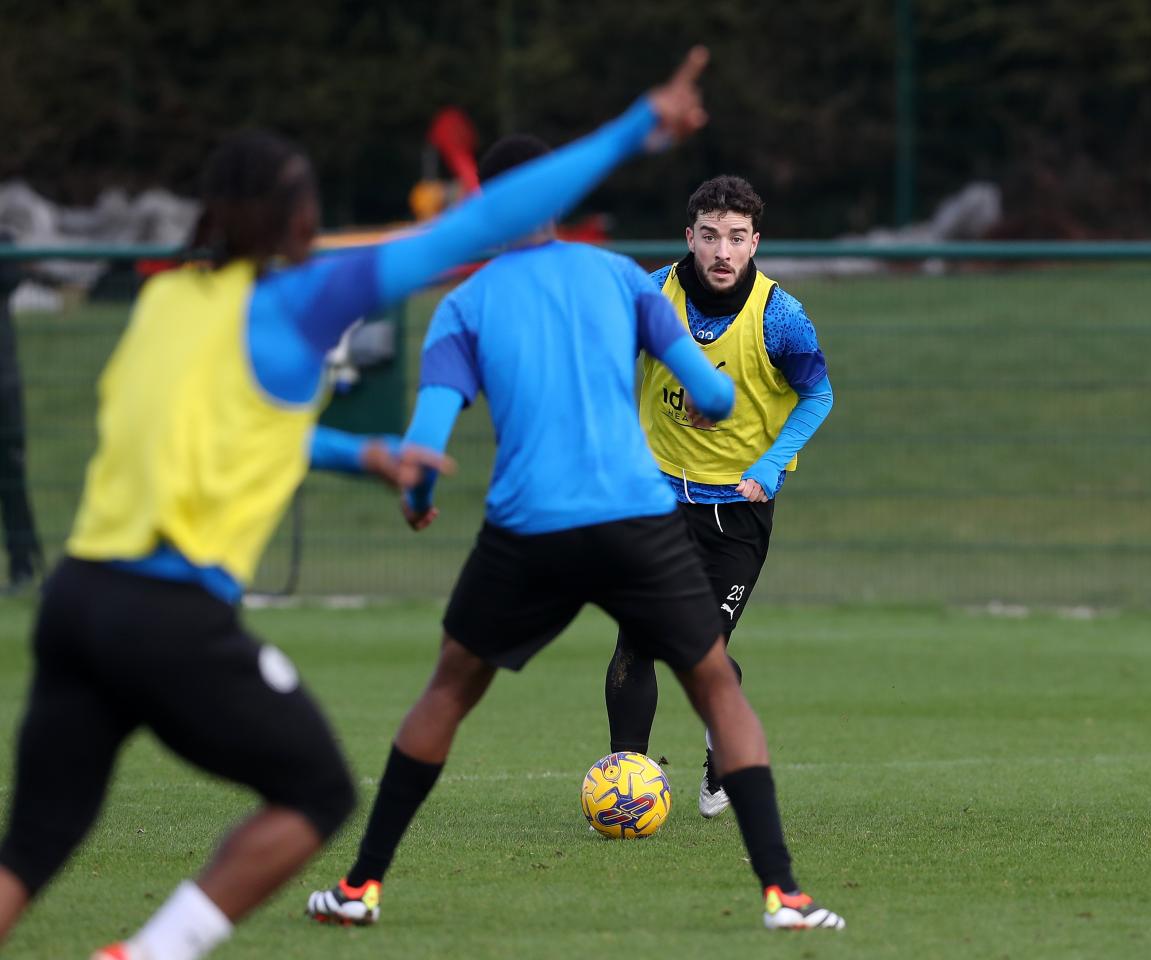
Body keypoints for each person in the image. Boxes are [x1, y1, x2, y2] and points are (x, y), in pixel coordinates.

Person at [0, 48, 713, 960]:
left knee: (32, 844)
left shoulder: (165, 302)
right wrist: (633, 127)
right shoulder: (306, 298)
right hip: (166, 615)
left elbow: (241, 432)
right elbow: (478, 226)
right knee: (316, 795)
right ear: (290, 218)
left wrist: (360, 453)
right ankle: (147, 954)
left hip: (75, 602)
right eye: (307, 200)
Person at [305, 135, 845, 933]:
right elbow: (713, 394)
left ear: (480, 205)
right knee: (717, 684)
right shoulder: (621, 279)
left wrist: (416, 493)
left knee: (448, 691)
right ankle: (785, 896)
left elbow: (425, 445)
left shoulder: (465, 305)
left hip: (530, 525)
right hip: (638, 515)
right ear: (558, 201)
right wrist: (710, 401)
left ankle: (359, 890)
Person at [604, 175, 835, 818]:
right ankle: (626, 781)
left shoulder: (780, 316)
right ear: (690, 238)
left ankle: (719, 747)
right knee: (637, 637)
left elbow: (818, 395)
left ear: (755, 241)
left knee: (700, 649)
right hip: (654, 499)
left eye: (736, 237)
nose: (722, 251)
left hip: (736, 508)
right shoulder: (651, 297)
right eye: (710, 236)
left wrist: (768, 464)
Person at [0, 230, 43, 595]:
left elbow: (11, 277)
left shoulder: (5, 239)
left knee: (10, 470)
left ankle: (24, 564)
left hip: (2, 379)